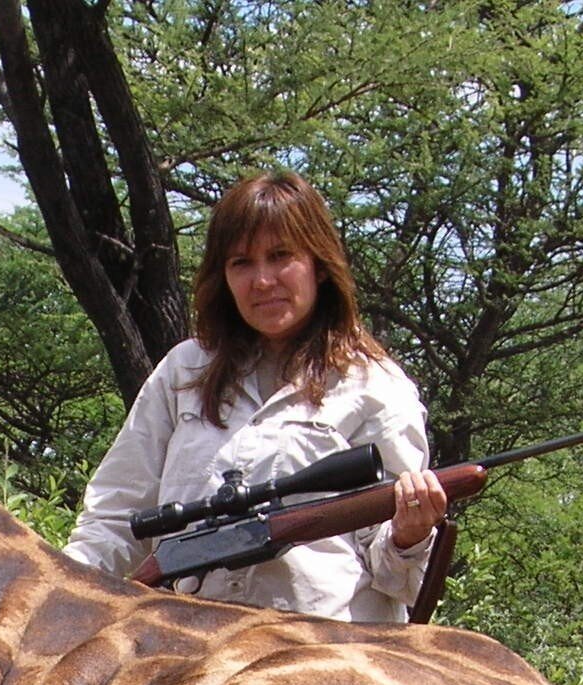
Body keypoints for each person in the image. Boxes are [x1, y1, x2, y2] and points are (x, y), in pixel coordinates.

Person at [64, 169, 447, 622]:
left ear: (319, 266)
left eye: (281, 256)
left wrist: (409, 534)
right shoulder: (184, 370)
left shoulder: (376, 387)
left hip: (320, 653)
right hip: (181, 634)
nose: (262, 281)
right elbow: (115, 516)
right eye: (241, 262)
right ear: (222, 276)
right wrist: (62, 593)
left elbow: (399, 580)